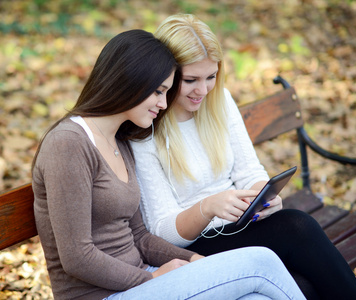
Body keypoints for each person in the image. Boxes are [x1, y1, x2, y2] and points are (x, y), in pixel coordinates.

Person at [31, 29, 306, 300]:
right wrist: (150, 278)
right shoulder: (68, 143)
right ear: (130, 82)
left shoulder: (120, 141)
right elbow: (77, 257)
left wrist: (195, 259)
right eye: (159, 92)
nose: (164, 104)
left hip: (144, 280)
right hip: (105, 294)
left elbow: (139, 236)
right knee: (261, 263)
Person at [130, 14, 356, 300]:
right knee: (297, 228)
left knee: (304, 276)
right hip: (193, 250)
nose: (203, 90)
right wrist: (208, 208)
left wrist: (261, 194)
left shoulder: (219, 101)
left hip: (242, 227)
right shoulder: (145, 127)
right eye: (191, 80)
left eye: (211, 77)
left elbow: (249, 170)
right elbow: (161, 233)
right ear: (165, 74)